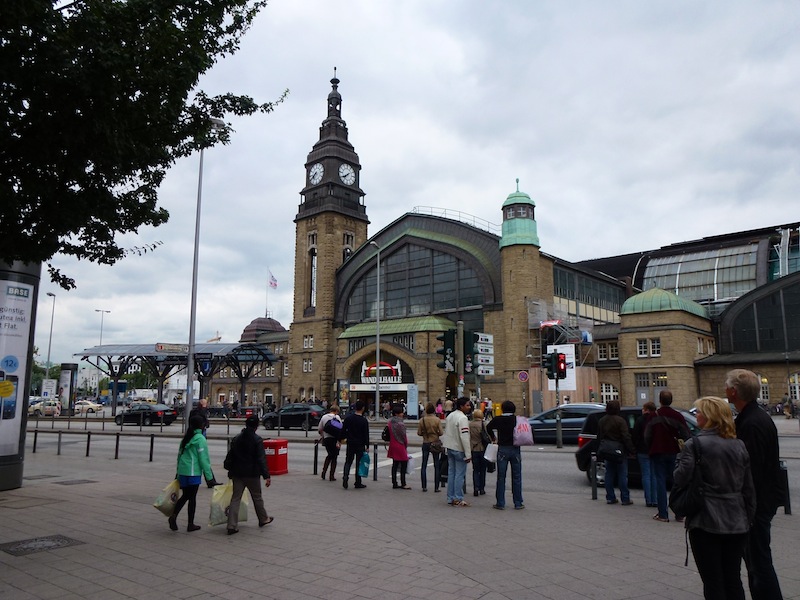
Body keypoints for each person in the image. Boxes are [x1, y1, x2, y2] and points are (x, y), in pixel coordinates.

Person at [674, 396, 756, 600]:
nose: (697, 415)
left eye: (700, 411)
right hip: (736, 520)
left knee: (713, 580)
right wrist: (748, 517)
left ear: (710, 416)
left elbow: (680, 478)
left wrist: (680, 457)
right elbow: (748, 488)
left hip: (706, 521)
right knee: (733, 578)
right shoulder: (738, 445)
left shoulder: (695, 445)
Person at [726, 369, 785, 599]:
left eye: (727, 386)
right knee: (757, 560)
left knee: (758, 562)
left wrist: (746, 504)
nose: (725, 389)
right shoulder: (755, 416)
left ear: (733, 391)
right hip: (762, 501)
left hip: (756, 504)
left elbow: (751, 469)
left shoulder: (751, 422)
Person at [645, 389, 691, 522]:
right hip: (673, 451)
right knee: (676, 481)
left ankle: (663, 514)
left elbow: (647, 435)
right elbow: (686, 434)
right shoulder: (677, 416)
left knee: (660, 481)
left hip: (657, 451)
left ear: (660, 400)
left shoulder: (653, 416)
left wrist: (650, 446)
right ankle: (679, 512)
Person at [224, 415, 273, 535]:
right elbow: (261, 459)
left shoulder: (237, 438)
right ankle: (263, 519)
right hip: (252, 474)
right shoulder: (257, 440)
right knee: (257, 497)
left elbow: (230, 456)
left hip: (237, 473)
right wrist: (266, 475)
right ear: (256, 426)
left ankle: (231, 525)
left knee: (236, 498)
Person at [169, 415, 217, 532]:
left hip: (183, 471)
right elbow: (203, 459)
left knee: (185, 495)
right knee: (192, 498)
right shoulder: (200, 439)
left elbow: (179, 456)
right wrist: (209, 477)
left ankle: (174, 515)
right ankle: (190, 524)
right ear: (201, 425)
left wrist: (178, 472)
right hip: (193, 472)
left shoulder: (186, 438)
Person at [486, 400, 524, 510]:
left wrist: (493, 438)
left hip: (502, 449)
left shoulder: (498, 419)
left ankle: (500, 503)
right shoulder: (517, 419)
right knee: (517, 476)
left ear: (502, 409)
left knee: (501, 477)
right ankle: (518, 502)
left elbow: (488, 427)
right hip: (515, 448)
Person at [597, 400, 635, 505]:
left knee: (609, 474)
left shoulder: (602, 420)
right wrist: (631, 450)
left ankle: (610, 497)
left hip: (607, 450)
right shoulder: (620, 421)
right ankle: (625, 498)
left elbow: (599, 436)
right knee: (622, 475)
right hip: (619, 450)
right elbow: (626, 437)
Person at [441, 397, 472, 507]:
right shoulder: (463, 418)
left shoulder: (450, 416)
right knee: (459, 474)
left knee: (451, 473)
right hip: (459, 449)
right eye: (467, 405)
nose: (469, 407)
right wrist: (468, 454)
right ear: (461, 406)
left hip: (450, 447)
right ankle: (458, 497)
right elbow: (464, 437)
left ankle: (450, 497)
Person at [632, 401, 657, 507]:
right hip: (655, 450)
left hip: (642, 450)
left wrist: (635, 448)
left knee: (646, 475)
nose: (642, 410)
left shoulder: (640, 420)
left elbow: (635, 436)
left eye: (643, 408)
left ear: (647, 409)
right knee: (654, 475)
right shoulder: (656, 419)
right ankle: (655, 499)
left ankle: (648, 500)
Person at [341, 400, 370, 490]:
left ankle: (345, 477)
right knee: (358, 463)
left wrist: (344, 438)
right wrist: (367, 445)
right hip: (360, 444)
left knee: (348, 461)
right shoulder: (364, 421)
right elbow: (366, 434)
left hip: (350, 443)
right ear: (363, 408)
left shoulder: (348, 418)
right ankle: (358, 482)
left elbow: (343, 430)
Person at [417, 402, 444, 492]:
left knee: (424, 464)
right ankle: (436, 487)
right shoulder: (437, 420)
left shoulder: (422, 420)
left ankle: (424, 486)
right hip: (435, 442)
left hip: (426, 442)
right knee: (436, 465)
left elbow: (419, 433)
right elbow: (441, 432)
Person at [387, 404, 410, 489]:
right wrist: (405, 445)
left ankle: (394, 483)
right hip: (400, 445)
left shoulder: (390, 422)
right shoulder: (400, 424)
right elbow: (404, 437)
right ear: (397, 414)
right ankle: (403, 483)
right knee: (403, 464)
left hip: (392, 445)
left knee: (395, 465)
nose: (402, 414)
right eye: (401, 413)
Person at [318, 405, 343, 481]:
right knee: (334, 458)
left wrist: (323, 435)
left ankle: (324, 472)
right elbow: (341, 429)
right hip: (334, 440)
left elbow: (320, 429)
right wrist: (340, 441)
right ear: (336, 411)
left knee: (329, 455)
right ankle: (331, 475)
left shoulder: (324, 417)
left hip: (327, 439)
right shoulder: (337, 417)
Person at [468, 409, 488, 496]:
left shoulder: (470, 424)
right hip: (482, 449)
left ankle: (475, 488)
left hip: (473, 449)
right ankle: (482, 488)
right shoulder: (483, 424)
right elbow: (487, 436)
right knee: (483, 470)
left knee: (475, 470)